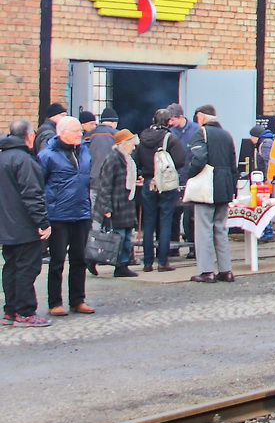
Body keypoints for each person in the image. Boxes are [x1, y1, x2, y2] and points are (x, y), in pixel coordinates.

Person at [38, 116, 93, 315]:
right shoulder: (47, 155)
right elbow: (39, 185)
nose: (80, 134)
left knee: (80, 258)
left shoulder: (84, 150)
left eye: (80, 131)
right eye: (76, 131)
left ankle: (78, 300)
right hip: (58, 215)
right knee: (57, 260)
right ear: (62, 133)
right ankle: (55, 302)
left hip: (81, 212)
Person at [1, 120, 53, 327]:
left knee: (11, 268)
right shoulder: (24, 160)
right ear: (30, 136)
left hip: (6, 225)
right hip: (24, 225)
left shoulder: (3, 157)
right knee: (27, 269)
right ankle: (25, 312)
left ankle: (10, 311)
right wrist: (43, 222)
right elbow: (32, 194)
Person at [183, 104, 239, 284]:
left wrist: (189, 176)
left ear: (201, 117)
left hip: (208, 187)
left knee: (204, 229)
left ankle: (206, 271)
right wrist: (233, 189)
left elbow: (199, 158)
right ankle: (226, 270)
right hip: (225, 186)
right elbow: (233, 164)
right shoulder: (227, 135)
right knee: (221, 229)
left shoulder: (201, 133)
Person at [133, 108, 186, 273]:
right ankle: (162, 261)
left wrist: (144, 172)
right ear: (169, 121)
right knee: (165, 221)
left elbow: (135, 160)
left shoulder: (143, 137)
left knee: (148, 222)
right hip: (166, 184)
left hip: (148, 182)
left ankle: (147, 263)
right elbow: (180, 160)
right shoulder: (170, 139)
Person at [90, 129, 141, 278]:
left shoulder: (127, 159)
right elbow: (105, 185)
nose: (133, 148)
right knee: (118, 238)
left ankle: (122, 265)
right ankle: (110, 262)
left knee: (125, 238)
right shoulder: (113, 159)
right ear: (124, 144)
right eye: (132, 144)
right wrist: (106, 208)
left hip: (126, 203)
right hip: (117, 204)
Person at [168, 104, 201, 256]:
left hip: (191, 178)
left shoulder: (196, 130)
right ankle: (173, 247)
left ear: (180, 117)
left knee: (190, 216)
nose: (170, 122)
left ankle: (193, 247)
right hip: (174, 179)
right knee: (174, 214)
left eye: (173, 119)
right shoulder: (170, 132)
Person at [248, 124, 275, 241]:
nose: (250, 139)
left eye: (251, 136)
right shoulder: (266, 142)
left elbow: (267, 162)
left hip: (264, 181)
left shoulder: (265, 144)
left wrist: (266, 180)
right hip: (265, 179)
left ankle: (267, 232)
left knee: (263, 205)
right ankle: (266, 231)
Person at [87, 108, 120, 185]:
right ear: (114, 122)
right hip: (112, 177)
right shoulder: (118, 135)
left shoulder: (87, 135)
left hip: (92, 178)